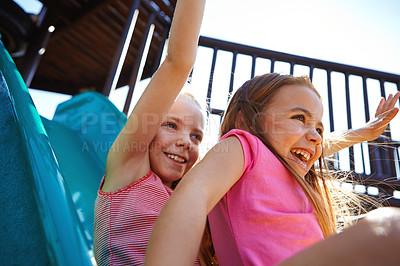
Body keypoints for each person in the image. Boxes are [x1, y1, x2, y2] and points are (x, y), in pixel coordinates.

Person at [145, 73, 400, 266]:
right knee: (389, 227)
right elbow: (194, 194)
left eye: (319, 130)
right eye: (299, 118)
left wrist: (363, 133)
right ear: (247, 121)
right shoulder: (244, 147)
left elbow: (316, 144)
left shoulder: (291, 168)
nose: (315, 137)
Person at [93, 0, 206, 265]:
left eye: (196, 136)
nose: (185, 142)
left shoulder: (188, 203)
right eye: (171, 125)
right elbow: (178, 62)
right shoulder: (128, 172)